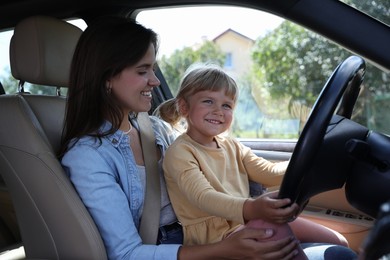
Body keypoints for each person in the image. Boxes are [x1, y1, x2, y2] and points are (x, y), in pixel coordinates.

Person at [59, 16, 303, 260]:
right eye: (143, 71)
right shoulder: (88, 157)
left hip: (213, 232)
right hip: (175, 247)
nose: (154, 81)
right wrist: (226, 249)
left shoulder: (156, 129)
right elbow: (127, 254)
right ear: (107, 79)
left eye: (153, 69)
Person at [158, 64, 354, 259]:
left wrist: (309, 161)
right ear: (184, 107)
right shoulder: (180, 152)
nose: (219, 111)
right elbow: (204, 197)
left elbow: (269, 173)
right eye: (208, 101)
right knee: (274, 232)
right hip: (218, 238)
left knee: (338, 240)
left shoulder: (231, 146)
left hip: (248, 221)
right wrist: (251, 208)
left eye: (227, 105)